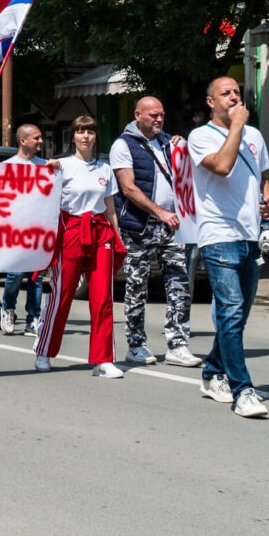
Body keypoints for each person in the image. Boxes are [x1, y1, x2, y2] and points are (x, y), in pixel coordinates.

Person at [188, 77, 269, 419]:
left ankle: (211, 373)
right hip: (218, 233)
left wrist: (267, 200)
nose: (234, 97)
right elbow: (223, 168)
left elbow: (262, 175)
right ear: (210, 101)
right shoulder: (200, 136)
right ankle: (243, 390)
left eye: (237, 92)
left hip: (250, 234)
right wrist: (237, 126)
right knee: (231, 310)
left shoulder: (254, 136)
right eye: (226, 93)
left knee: (237, 317)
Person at [110, 97, 202, 368]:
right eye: (153, 115)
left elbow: (186, 175)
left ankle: (178, 344)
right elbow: (128, 188)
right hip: (140, 226)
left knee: (178, 285)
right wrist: (159, 212)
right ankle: (136, 345)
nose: (159, 120)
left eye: (161, 115)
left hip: (172, 225)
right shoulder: (123, 145)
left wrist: (183, 150)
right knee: (137, 287)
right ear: (138, 115)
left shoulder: (166, 143)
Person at [34, 115, 126, 378]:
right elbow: (40, 195)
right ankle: (44, 349)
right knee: (61, 294)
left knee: (103, 299)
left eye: (90, 132)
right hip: (71, 231)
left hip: (101, 233)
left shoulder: (105, 169)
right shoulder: (60, 165)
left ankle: (103, 360)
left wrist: (115, 237)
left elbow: (110, 209)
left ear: (96, 137)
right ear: (73, 136)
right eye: (80, 132)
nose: (85, 136)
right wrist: (47, 168)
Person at [0, 124, 49, 336]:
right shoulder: (7, 166)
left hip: (39, 230)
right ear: (23, 141)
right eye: (36, 138)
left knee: (37, 276)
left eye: (41, 137)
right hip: (15, 231)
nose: (40, 142)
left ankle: (33, 317)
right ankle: (8, 308)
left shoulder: (45, 166)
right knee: (16, 274)